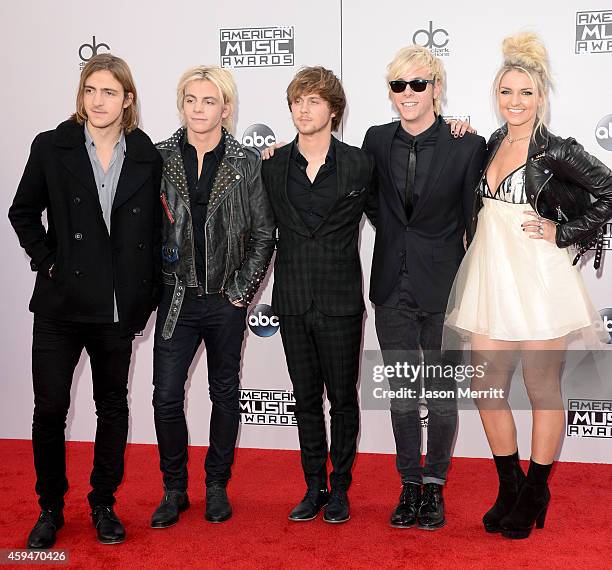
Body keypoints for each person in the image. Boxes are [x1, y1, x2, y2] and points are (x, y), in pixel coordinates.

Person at [444, 32, 612, 539]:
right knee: (486, 388)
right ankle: (510, 486)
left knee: (541, 387)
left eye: (525, 93)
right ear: (496, 95)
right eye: (506, 92)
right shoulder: (490, 143)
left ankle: (537, 490)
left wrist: (564, 232)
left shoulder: (559, 149)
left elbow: (607, 191)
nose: (514, 102)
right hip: (490, 277)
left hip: (540, 280)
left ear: (541, 97)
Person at [8, 54, 163, 548]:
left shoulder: (145, 155)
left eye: (110, 92)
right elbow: (23, 211)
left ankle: (102, 503)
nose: (99, 101)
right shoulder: (52, 147)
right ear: (82, 96)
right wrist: (47, 261)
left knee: (112, 407)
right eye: (91, 90)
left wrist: (145, 294)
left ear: (128, 100)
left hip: (117, 309)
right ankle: (50, 507)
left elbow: (157, 233)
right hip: (60, 306)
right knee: (50, 409)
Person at [362, 45, 485, 530]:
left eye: (418, 84)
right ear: (390, 93)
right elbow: (369, 200)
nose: (408, 93)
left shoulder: (466, 145)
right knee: (400, 393)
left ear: (436, 88)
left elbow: (474, 217)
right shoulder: (374, 140)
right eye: (398, 85)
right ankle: (408, 484)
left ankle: (434, 487)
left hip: (445, 284)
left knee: (439, 393)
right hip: (392, 282)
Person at [150, 66, 275, 529]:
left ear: (226, 108)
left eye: (209, 101)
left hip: (225, 301)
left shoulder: (245, 162)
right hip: (176, 299)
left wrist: (240, 292)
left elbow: (264, 233)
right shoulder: (157, 156)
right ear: (181, 104)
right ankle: (174, 489)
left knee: (224, 395)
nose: (198, 109)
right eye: (191, 100)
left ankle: (216, 485)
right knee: (165, 398)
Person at [261, 67, 373, 524]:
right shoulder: (270, 165)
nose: (303, 110)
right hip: (291, 299)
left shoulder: (359, 164)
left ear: (333, 110)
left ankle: (341, 488)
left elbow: (396, 216)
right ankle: (313, 486)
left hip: (341, 300)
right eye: (297, 101)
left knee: (343, 399)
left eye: (313, 101)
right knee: (305, 399)